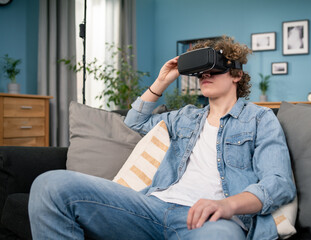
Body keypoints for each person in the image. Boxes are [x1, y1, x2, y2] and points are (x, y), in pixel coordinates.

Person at [29, 36, 296, 240]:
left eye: (214, 70)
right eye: (202, 71)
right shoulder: (186, 116)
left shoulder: (260, 119)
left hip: (213, 223)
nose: (205, 76)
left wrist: (227, 205)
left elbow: (279, 183)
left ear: (237, 74)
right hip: (151, 208)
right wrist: (161, 81)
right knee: (50, 185)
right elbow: (135, 122)